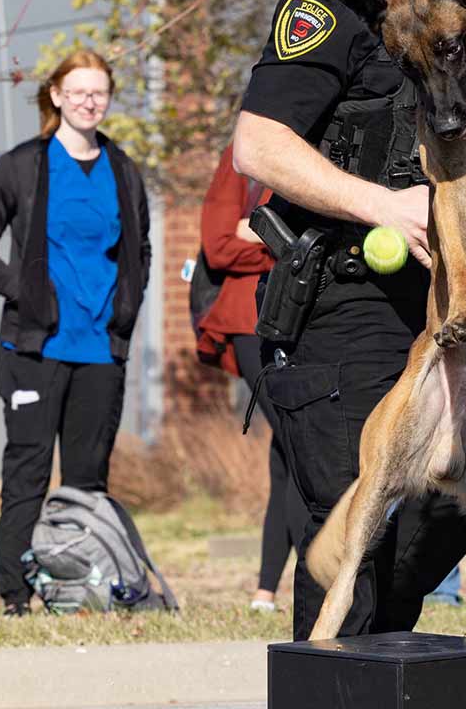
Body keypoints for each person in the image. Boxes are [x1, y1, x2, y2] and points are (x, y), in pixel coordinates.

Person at [230, 0, 466, 640]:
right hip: (338, 316)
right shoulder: (335, 1)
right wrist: (385, 204)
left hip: (439, 316)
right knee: (358, 555)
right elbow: (259, 144)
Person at [0, 49, 153, 615]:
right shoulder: (23, 165)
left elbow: (139, 248)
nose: (90, 101)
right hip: (35, 348)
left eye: (100, 93)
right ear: (57, 96)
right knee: (28, 470)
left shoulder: (123, 169)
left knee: (89, 480)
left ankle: (82, 588)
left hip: (100, 349)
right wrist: (26, 291)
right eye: (79, 91)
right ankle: (17, 594)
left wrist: (127, 309)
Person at [193, 143, 295, 613]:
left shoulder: (314, 153)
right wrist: (283, 251)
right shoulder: (242, 158)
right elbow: (217, 245)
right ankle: (298, 580)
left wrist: (259, 236)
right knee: (298, 443)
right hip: (249, 322)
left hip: (301, 320)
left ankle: (265, 591)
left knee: (289, 450)